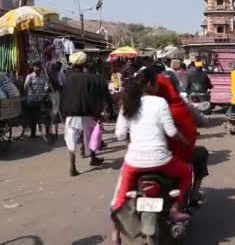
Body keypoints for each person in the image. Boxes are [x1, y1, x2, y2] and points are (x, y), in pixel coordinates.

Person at [111, 67, 192, 244]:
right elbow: (171, 132)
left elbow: (119, 135)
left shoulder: (127, 102)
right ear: (149, 84)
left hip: (134, 163)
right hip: (161, 161)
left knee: (120, 197)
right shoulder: (160, 102)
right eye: (156, 82)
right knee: (186, 172)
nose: (157, 85)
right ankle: (176, 209)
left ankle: (115, 233)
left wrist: (132, 143)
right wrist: (184, 140)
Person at [152, 63, 209, 205]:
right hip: (173, 156)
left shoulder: (141, 103)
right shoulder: (181, 104)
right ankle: (193, 195)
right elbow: (200, 121)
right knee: (200, 154)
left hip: (142, 157)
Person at [61, 52, 114, 176]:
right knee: (90, 136)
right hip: (86, 113)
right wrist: (99, 113)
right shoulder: (89, 78)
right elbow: (93, 97)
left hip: (71, 113)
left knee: (71, 140)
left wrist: (63, 112)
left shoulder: (68, 78)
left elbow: (64, 96)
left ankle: (72, 166)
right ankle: (93, 158)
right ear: (84, 64)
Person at [24, 62, 49, 138]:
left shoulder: (43, 76)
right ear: (33, 67)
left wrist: (45, 92)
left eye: (38, 67)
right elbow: (25, 86)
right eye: (36, 67)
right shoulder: (30, 76)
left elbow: (46, 86)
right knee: (33, 118)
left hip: (41, 99)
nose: (37, 68)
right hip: (32, 100)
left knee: (44, 116)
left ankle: (47, 133)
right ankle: (33, 134)